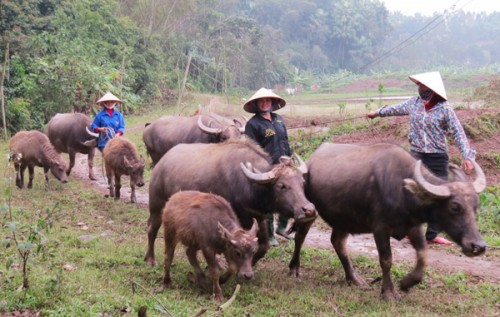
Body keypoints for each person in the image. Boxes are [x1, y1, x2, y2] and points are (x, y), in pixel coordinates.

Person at [367, 71, 475, 245]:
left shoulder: (445, 109)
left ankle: (431, 235)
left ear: (432, 89)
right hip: (416, 156)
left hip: (438, 157)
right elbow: (394, 109)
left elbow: (459, 133)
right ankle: (408, 230)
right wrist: (377, 112)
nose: (420, 88)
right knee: (411, 192)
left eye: (423, 85)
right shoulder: (414, 103)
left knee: (440, 196)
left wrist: (467, 156)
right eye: (419, 85)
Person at [243, 88, 294, 247]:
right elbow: (250, 148)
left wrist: (290, 157)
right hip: (267, 167)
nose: (265, 103)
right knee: (270, 200)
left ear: (272, 103)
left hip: (284, 163)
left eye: (267, 101)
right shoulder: (253, 124)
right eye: (261, 101)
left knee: (289, 194)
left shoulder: (278, 119)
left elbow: (285, 139)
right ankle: (270, 234)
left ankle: (282, 227)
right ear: (256, 104)